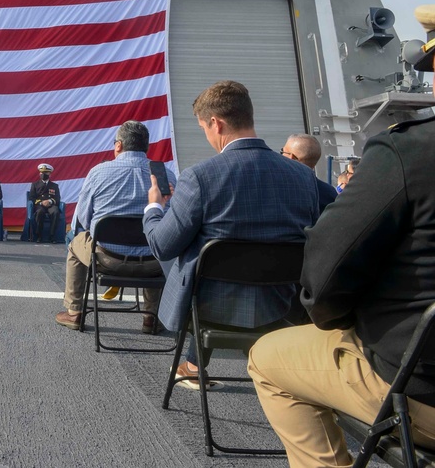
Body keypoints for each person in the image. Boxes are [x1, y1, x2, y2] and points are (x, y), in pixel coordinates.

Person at [248, 91, 435, 467]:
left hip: (423, 391)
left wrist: (334, 318)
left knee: (266, 358)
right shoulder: (318, 190)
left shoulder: (411, 151)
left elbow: (328, 266)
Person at [143, 80, 319, 389]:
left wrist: (154, 209)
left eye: (204, 128)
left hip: (210, 309)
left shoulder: (199, 177)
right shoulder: (304, 177)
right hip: (279, 305)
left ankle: (194, 364)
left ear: (216, 123)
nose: (208, 136)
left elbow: (162, 245)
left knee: (188, 251)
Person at [55, 121, 175, 334]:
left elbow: (82, 219)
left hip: (108, 259)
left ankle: (74, 311)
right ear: (145, 146)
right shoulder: (165, 174)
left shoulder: (99, 172)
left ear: (118, 145)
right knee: (155, 239)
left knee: (75, 243)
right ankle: (151, 317)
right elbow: (174, 222)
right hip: (153, 264)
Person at [281, 133, 338, 212]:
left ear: (291, 157)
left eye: (282, 151)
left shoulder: (278, 188)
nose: (281, 155)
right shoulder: (328, 192)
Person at [29, 163, 61, 243]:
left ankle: (52, 236)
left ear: (49, 174)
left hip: (50, 205)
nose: (43, 174)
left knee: (56, 212)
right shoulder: (35, 185)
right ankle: (39, 235)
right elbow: (31, 197)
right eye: (41, 173)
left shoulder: (54, 186)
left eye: (45, 173)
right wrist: (41, 202)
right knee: (40, 212)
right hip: (40, 205)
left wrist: (50, 201)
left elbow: (57, 198)